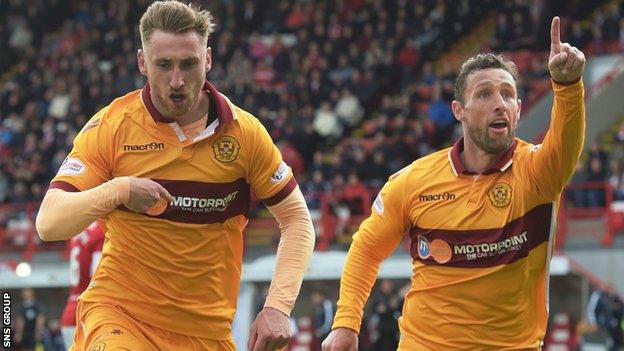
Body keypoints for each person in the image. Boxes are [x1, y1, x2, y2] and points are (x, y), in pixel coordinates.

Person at [35, 1, 315, 350]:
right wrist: (119, 190)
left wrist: (277, 306)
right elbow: (48, 222)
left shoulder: (245, 134)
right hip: (121, 317)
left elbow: (297, 220)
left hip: (206, 334)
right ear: (142, 62)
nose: (177, 81)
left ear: (208, 59)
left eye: (189, 64)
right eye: (163, 65)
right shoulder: (112, 127)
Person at [322, 17, 586, 350]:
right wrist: (346, 322)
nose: (499, 103)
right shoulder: (414, 181)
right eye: (485, 94)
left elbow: (568, 141)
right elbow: (366, 249)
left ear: (518, 109)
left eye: (508, 95)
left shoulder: (539, 172)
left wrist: (567, 85)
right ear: (459, 110)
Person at [60, 220, 105, 348]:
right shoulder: (101, 231)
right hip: (90, 311)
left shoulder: (79, 230)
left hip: (71, 309)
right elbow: (98, 275)